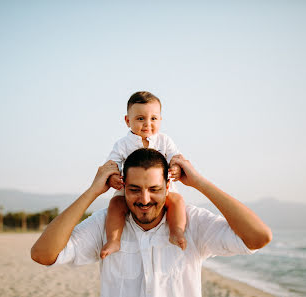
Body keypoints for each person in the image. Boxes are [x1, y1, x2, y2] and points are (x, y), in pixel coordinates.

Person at [31, 148, 272, 297]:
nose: (144, 199)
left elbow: (259, 237)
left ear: (168, 186)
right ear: (123, 186)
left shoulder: (193, 222)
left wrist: (199, 182)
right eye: (134, 189)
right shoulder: (105, 224)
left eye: (154, 189)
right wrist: (92, 191)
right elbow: (43, 254)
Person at [102, 91, 186, 259]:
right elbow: (112, 164)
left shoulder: (165, 141)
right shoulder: (123, 144)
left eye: (153, 118)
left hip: (160, 188)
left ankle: (176, 231)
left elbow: (176, 157)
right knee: (115, 205)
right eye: (140, 119)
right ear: (128, 121)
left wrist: (176, 167)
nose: (147, 124)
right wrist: (113, 177)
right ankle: (114, 239)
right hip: (130, 188)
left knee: (177, 201)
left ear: (160, 120)